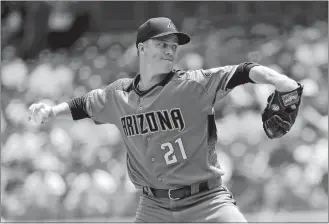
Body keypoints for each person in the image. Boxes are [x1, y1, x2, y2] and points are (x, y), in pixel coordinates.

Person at [28, 17, 303, 222]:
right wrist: (52, 111)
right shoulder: (118, 95)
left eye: (173, 46)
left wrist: (281, 81)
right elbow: (83, 105)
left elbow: (243, 71)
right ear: (141, 49)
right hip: (153, 209)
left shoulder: (191, 85)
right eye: (162, 44)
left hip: (207, 202)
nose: (170, 50)